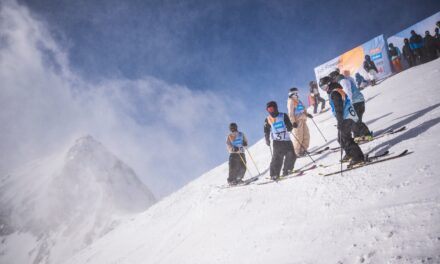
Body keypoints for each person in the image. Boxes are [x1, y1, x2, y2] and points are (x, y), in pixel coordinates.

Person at [319, 76, 364, 165]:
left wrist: (340, 121)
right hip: (347, 116)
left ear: (329, 83)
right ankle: (349, 154)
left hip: (345, 117)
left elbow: (339, 108)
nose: (324, 89)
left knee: (346, 138)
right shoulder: (336, 90)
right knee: (340, 138)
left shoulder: (335, 93)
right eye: (322, 88)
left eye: (324, 87)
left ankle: (358, 157)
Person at [329, 70, 372, 142]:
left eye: (332, 79)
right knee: (354, 121)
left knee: (355, 121)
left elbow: (348, 92)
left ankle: (366, 135)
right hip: (356, 101)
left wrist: (347, 105)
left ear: (334, 77)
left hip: (356, 102)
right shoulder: (343, 80)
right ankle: (358, 136)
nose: (331, 82)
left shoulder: (342, 81)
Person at [264, 101, 297, 180]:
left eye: (271, 109)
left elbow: (288, 124)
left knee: (291, 155)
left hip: (286, 139)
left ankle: (287, 170)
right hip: (277, 141)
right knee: (277, 158)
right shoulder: (268, 119)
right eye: (268, 110)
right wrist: (267, 139)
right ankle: (274, 174)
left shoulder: (283, 115)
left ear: (275, 108)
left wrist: (290, 127)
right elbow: (266, 130)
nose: (270, 111)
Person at [287, 88, 313, 156]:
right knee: (299, 136)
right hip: (297, 121)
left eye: (297, 92)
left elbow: (303, 108)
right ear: (292, 93)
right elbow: (290, 113)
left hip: (303, 119)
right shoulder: (291, 101)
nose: (297, 94)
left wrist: (307, 114)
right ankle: (297, 152)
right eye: (295, 93)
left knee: (306, 135)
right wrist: (293, 122)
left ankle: (303, 149)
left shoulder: (299, 100)